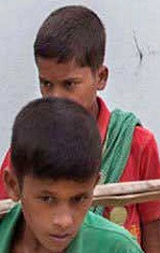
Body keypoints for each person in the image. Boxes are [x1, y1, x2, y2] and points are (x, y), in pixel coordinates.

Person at [0, 6, 160, 252]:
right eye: (46, 84)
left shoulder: (135, 143)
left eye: (69, 84)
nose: (56, 97)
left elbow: (155, 237)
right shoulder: (28, 149)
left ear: (100, 77)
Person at [0, 97, 142, 252]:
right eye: (47, 198)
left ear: (95, 184)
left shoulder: (118, 249)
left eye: (78, 198)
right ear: (13, 185)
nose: (64, 221)